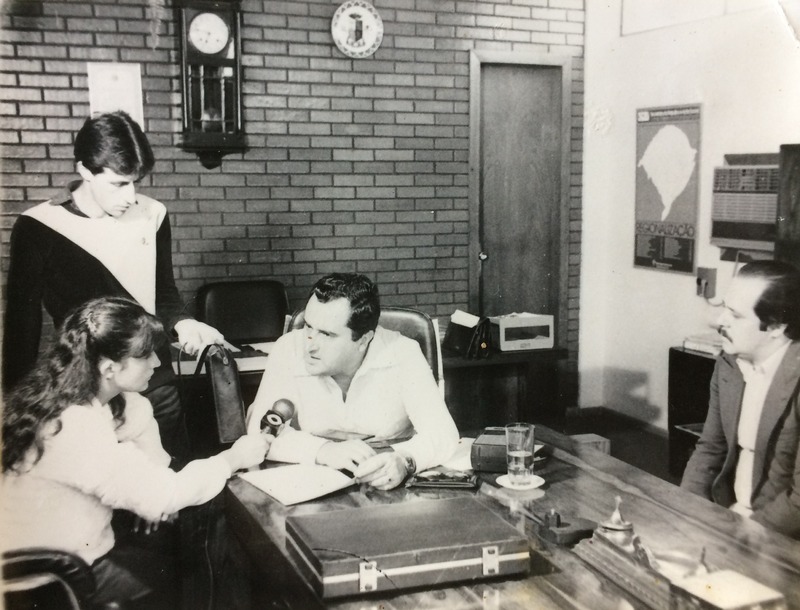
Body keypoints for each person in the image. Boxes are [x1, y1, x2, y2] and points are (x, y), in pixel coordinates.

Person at [1, 297, 270, 607]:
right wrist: (233, 458)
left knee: (187, 538)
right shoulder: (74, 424)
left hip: (62, 558)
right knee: (203, 542)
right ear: (109, 368)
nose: (156, 362)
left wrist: (154, 496)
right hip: (55, 579)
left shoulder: (73, 400)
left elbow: (154, 472)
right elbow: (164, 495)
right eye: (144, 355)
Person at [2, 110, 223, 460]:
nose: (131, 196)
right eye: (119, 183)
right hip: (86, 393)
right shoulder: (38, 225)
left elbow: (163, 292)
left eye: (136, 182)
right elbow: (21, 326)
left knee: (170, 478)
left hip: (154, 380)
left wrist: (184, 323)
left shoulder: (152, 214)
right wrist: (13, 408)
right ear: (85, 171)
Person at [246, 273, 459, 490]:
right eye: (308, 327)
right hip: (311, 479)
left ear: (364, 340)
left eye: (327, 334)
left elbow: (442, 433)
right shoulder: (288, 348)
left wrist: (405, 460)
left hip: (385, 482)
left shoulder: (403, 352)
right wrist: (322, 450)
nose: (309, 345)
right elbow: (258, 433)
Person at [680, 260, 800, 539]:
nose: (720, 321)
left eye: (735, 315)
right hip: (733, 519)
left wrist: (738, 538)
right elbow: (710, 449)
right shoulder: (729, 364)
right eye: (725, 308)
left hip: (781, 535)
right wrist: (686, 512)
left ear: (776, 326)